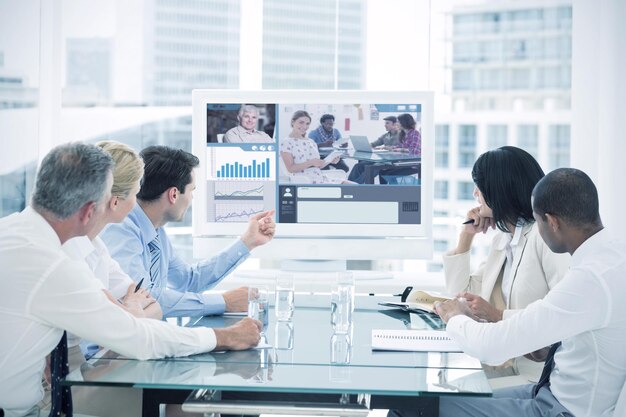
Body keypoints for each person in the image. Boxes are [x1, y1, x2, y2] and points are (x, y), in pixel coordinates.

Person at [0, 143, 261, 417]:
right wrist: (225, 336)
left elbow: (145, 301)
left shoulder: (21, 233)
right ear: (92, 211)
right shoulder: (53, 266)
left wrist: (130, 314)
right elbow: (138, 337)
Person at [391, 168, 626, 417]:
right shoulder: (610, 259)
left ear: (553, 222)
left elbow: (492, 347)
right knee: (422, 401)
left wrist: (454, 317)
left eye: (539, 221)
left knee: (414, 408)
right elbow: (541, 318)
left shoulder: (590, 280)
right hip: (546, 393)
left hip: (558, 410)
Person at [101, 145, 276, 318]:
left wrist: (247, 241)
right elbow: (146, 299)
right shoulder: (119, 228)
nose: (192, 198)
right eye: (192, 191)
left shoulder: (156, 231)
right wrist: (223, 301)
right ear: (174, 194)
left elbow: (188, 280)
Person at [443, 146, 570, 381]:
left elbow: (561, 318)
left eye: (480, 187)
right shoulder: (505, 240)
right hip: (506, 366)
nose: (475, 194)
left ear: (499, 190)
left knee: (437, 399)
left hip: (536, 375)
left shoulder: (545, 238)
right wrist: (466, 236)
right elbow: (461, 296)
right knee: (438, 386)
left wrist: (497, 314)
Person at [280, 110, 354, 184]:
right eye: (301, 122)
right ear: (293, 122)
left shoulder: (311, 142)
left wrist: (330, 160)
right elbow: (291, 169)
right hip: (306, 181)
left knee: (354, 185)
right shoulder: (287, 142)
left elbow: (319, 165)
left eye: (307, 123)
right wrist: (311, 162)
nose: (305, 126)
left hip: (322, 178)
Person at [347, 116, 400, 183]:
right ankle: (348, 184)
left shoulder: (401, 135)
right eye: (385, 123)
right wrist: (364, 146)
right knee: (358, 166)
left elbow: (402, 148)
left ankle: (355, 185)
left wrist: (389, 148)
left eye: (387, 123)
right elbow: (374, 144)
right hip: (383, 160)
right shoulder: (386, 135)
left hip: (393, 161)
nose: (385, 125)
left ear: (395, 124)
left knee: (371, 167)